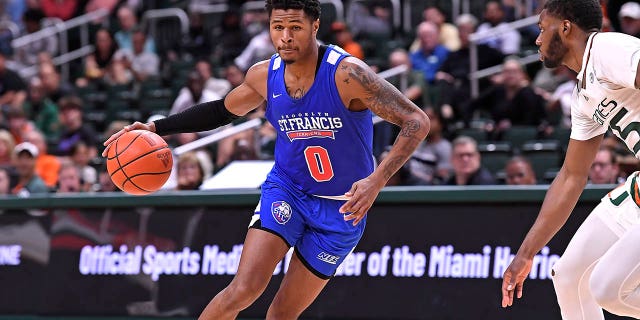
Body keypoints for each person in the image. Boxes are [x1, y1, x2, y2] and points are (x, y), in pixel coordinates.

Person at [102, 1, 430, 318]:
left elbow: (416, 121)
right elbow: (220, 110)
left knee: (283, 313)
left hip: (342, 206)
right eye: (277, 27)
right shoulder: (264, 75)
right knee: (243, 290)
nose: (285, 36)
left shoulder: (347, 74)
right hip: (287, 190)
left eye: (295, 27)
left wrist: (377, 180)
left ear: (315, 26)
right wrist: (157, 127)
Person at [501, 1, 640, 319]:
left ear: (564, 27)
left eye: (541, 28)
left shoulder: (606, 48)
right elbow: (572, 177)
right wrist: (526, 253)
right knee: (569, 277)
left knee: (607, 289)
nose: (537, 40)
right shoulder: (583, 93)